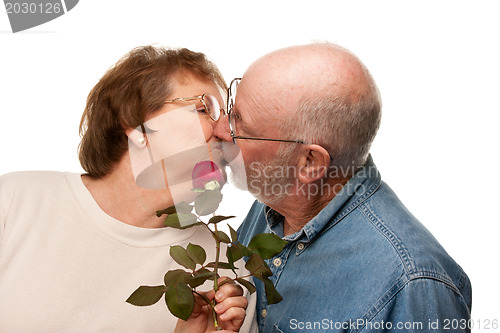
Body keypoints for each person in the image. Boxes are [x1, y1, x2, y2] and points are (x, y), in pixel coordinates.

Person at [214, 43, 472, 332]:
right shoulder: (276, 198)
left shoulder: (410, 286)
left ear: (310, 163)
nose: (220, 128)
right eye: (231, 108)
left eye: (240, 123)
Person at [0, 45, 256, 332]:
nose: (225, 131)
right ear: (137, 126)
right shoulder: (13, 202)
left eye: (226, 117)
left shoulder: (224, 275)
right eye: (202, 108)